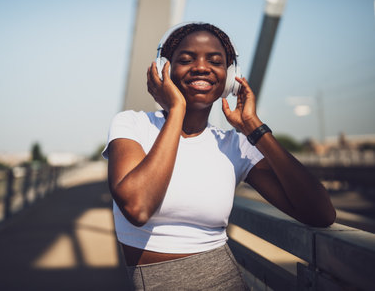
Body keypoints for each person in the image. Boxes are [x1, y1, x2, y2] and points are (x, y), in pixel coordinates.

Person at [102, 22, 336, 290]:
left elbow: (321, 213)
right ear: (163, 69)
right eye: (187, 59)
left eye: (215, 61)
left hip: (225, 279)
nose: (202, 67)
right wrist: (177, 110)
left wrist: (254, 127)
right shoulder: (133, 125)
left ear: (230, 75)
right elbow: (137, 207)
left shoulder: (234, 145)